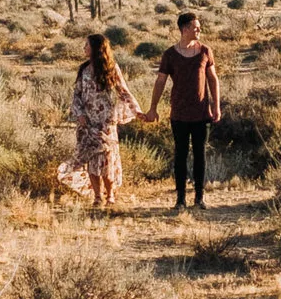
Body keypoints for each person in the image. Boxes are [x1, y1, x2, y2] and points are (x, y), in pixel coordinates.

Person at [144, 12, 220, 211]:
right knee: (180, 154)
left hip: (201, 113)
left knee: (200, 154)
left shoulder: (205, 51)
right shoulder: (170, 54)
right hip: (178, 113)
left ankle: (199, 197)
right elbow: (160, 81)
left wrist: (216, 106)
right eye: (195, 27)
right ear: (184, 29)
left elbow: (213, 79)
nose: (199, 30)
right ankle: (180, 199)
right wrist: (153, 108)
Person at [56, 33, 141, 209]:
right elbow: (77, 95)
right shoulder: (83, 69)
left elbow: (123, 91)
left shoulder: (111, 68)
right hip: (87, 122)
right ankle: (97, 196)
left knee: (107, 160)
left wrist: (137, 110)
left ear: (95, 48)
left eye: (86, 45)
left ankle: (110, 195)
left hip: (106, 123)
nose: (84, 49)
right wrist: (79, 114)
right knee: (91, 160)